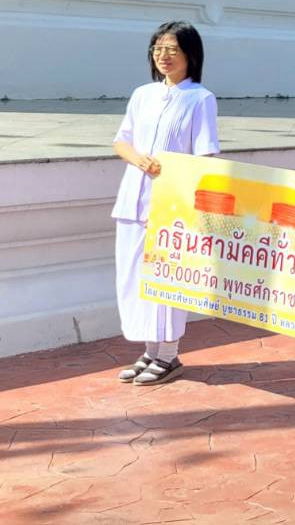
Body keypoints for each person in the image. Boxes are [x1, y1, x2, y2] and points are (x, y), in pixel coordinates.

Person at [110, 21, 220, 387]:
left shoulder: (200, 99)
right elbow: (121, 140)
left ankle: (169, 354)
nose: (164, 56)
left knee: (168, 278)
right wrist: (139, 159)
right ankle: (150, 350)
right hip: (133, 198)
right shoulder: (142, 95)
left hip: (172, 203)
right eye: (158, 49)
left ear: (190, 55)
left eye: (172, 49)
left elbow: (205, 156)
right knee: (135, 278)